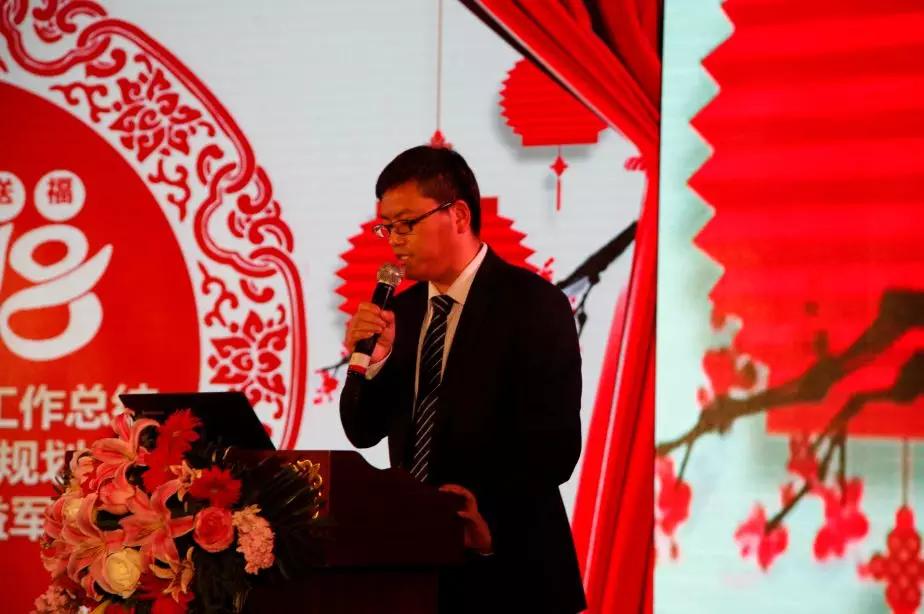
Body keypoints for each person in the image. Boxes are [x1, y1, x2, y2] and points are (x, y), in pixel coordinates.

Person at [340, 145, 586, 614]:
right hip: (416, 572)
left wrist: (484, 517)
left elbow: (555, 449)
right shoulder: (401, 312)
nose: (394, 241)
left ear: (457, 215)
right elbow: (362, 430)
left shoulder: (533, 304)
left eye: (406, 224)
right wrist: (374, 362)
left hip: (511, 566)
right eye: (386, 227)